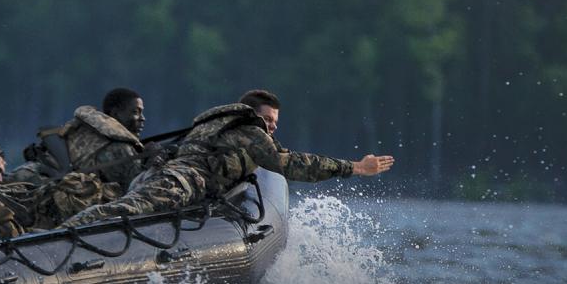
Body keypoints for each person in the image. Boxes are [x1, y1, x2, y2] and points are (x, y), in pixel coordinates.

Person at [64, 97, 394, 227]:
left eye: (276, 121)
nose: (272, 126)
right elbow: (289, 164)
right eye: (267, 119)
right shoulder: (247, 128)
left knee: (128, 209)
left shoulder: (217, 126)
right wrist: (354, 167)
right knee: (125, 211)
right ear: (251, 113)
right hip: (179, 181)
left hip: (163, 175)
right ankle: (67, 231)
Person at [4, 87, 148, 189]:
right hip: (42, 188)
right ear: (115, 114)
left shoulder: (85, 129)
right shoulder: (120, 148)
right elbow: (138, 190)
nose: (142, 119)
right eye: (135, 112)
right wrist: (153, 163)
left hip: (25, 179)